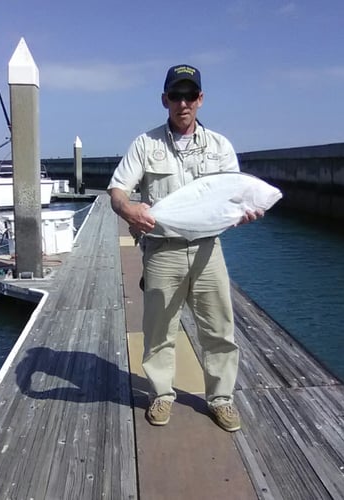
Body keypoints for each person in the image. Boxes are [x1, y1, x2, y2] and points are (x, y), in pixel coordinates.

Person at [108, 64, 262, 432]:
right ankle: (161, 393)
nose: (183, 102)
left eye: (190, 95)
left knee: (219, 328)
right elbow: (118, 191)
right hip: (162, 250)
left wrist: (242, 213)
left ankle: (221, 398)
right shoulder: (145, 144)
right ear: (164, 100)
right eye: (175, 95)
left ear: (201, 99)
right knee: (159, 327)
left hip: (209, 249)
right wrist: (129, 208)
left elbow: (233, 198)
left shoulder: (221, 147)